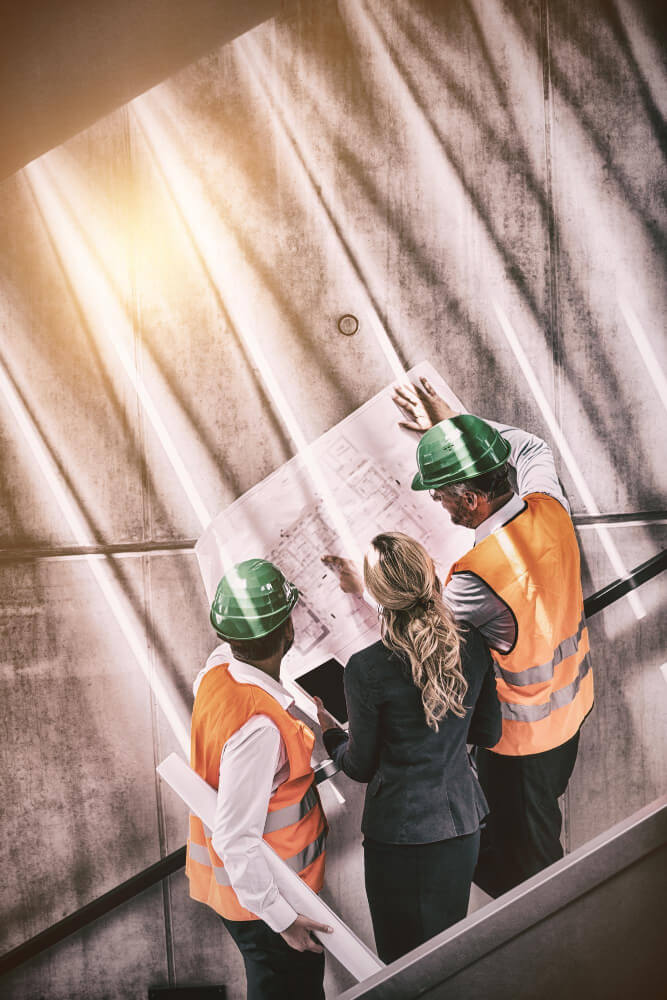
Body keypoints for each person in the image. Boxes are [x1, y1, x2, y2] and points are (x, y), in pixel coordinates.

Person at [395, 377, 594, 896]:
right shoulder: (550, 506)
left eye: (443, 498)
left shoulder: (474, 578)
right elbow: (531, 446)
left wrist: (368, 582)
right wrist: (454, 426)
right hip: (571, 715)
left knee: (537, 876)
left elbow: (420, 634)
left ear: (473, 499)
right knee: (526, 841)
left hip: (524, 745)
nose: (440, 506)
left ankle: (559, 954)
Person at [316, 531, 501, 964]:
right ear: (430, 577)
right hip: (459, 825)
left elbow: (359, 765)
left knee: (400, 965)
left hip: (397, 836)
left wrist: (331, 735)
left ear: (381, 596)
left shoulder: (365, 668)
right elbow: (489, 734)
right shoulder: (472, 645)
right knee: (446, 957)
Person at [186, 558, 332, 1000]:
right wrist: (283, 920)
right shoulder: (259, 730)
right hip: (272, 901)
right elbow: (234, 836)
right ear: (287, 628)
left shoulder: (216, 673)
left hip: (247, 893)